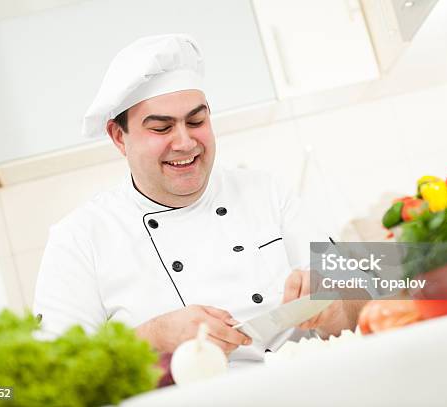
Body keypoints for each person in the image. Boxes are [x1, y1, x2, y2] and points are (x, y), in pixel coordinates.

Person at [33, 34, 361, 364]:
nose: (186, 142)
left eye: (196, 121)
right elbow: (57, 369)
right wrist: (151, 337)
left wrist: (333, 309)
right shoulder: (79, 237)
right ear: (119, 137)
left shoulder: (267, 191)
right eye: (161, 128)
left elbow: (360, 306)